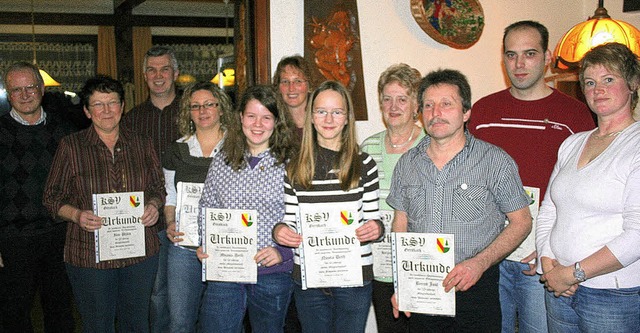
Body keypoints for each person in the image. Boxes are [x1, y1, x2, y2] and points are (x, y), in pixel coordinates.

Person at [468, 20, 595, 333]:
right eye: (511, 55)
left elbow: (583, 193)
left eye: (529, 54)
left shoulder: (575, 115)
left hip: (540, 260)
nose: (519, 64)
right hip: (489, 258)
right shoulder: (483, 113)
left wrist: (552, 246)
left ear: (547, 56)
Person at [388, 69, 533, 332]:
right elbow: (400, 224)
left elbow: (522, 221)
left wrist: (480, 262)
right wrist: (402, 283)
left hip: (476, 287)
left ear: (466, 112)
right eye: (428, 106)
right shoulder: (407, 164)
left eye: (446, 104)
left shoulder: (495, 162)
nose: (436, 113)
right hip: (423, 288)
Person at [43, 75, 165, 333]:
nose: (107, 110)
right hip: (89, 256)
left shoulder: (142, 144)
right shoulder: (71, 147)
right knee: (98, 325)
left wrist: (154, 206)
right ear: (87, 111)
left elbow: (157, 188)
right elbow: (52, 197)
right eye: (98, 104)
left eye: (112, 103)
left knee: (137, 325)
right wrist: (77, 215)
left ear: (122, 106)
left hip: (139, 253)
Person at [536, 43, 640, 332]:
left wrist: (573, 273)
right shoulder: (572, 143)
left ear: (632, 84)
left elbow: (637, 235)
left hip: (612, 295)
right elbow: (549, 210)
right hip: (559, 287)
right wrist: (548, 263)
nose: (598, 90)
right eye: (590, 83)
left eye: (609, 80)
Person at [273, 81, 384, 333]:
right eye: (321, 111)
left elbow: (373, 219)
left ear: (347, 118)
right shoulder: (295, 165)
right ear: (311, 117)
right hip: (310, 279)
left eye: (337, 112)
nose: (329, 119)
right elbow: (290, 219)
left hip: (353, 278)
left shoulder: (364, 164)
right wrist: (280, 231)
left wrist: (375, 229)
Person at [195, 85, 298, 332]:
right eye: (251, 116)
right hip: (226, 269)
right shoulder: (223, 158)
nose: (258, 124)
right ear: (240, 117)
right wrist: (205, 242)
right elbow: (207, 205)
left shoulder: (292, 162)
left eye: (266, 117)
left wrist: (283, 252)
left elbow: (303, 216)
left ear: (277, 121)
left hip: (271, 271)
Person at [0, 62, 75, 332]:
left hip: (60, 234)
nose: (24, 94)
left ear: (41, 89)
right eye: (16, 89)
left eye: (30, 87)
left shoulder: (66, 131)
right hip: (13, 240)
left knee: (61, 309)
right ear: (9, 94)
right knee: (14, 313)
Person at [163, 81, 232, 332]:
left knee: (219, 323)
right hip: (184, 247)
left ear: (221, 108)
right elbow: (170, 194)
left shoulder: (238, 148)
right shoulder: (177, 149)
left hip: (225, 247)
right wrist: (170, 222)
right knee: (180, 322)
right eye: (195, 106)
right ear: (188, 112)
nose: (202, 111)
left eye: (209, 105)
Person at [121, 45, 181, 332]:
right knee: (156, 294)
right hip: (148, 220)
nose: (159, 76)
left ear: (176, 73)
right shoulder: (129, 120)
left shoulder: (194, 112)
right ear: (145, 75)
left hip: (188, 217)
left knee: (189, 293)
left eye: (165, 69)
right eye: (152, 70)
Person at [360, 63, 423, 333]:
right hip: (379, 264)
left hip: (420, 261)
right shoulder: (368, 147)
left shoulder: (431, 145)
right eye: (387, 99)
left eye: (402, 99)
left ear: (416, 105)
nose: (393, 106)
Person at [273, 55, 314, 132]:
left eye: (298, 81)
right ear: (278, 86)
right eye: (285, 82)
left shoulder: (321, 120)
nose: (291, 88)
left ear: (309, 84)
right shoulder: (272, 122)